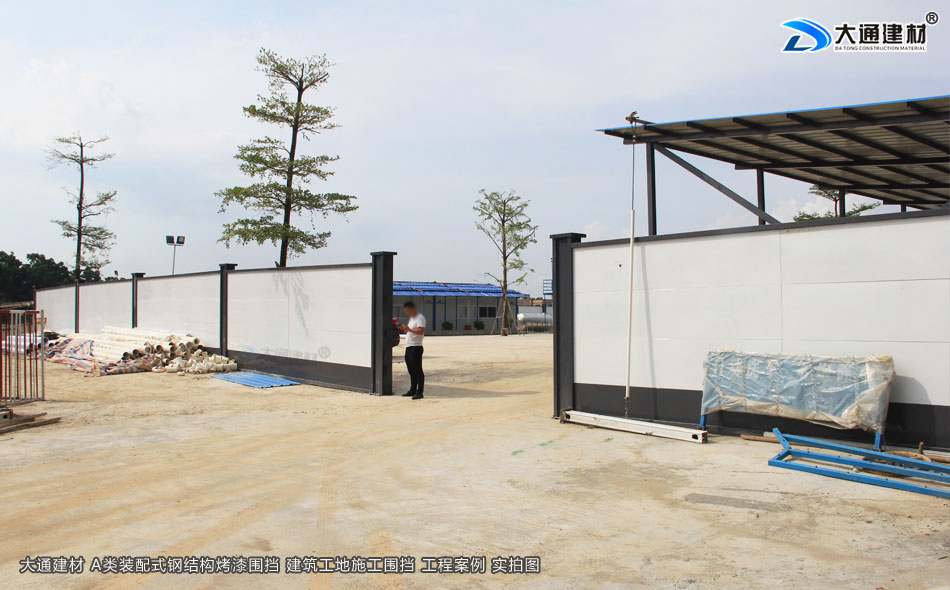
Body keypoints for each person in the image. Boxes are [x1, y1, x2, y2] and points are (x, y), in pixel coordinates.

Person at [398, 301, 426, 400]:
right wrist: (405, 329)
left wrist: (409, 329)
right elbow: (411, 331)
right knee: (411, 370)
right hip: (409, 346)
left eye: (408, 311)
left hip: (416, 347)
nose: (407, 313)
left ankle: (420, 392)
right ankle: (412, 390)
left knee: (418, 370)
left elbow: (421, 331)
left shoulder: (420, 318)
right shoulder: (412, 319)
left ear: (412, 309)